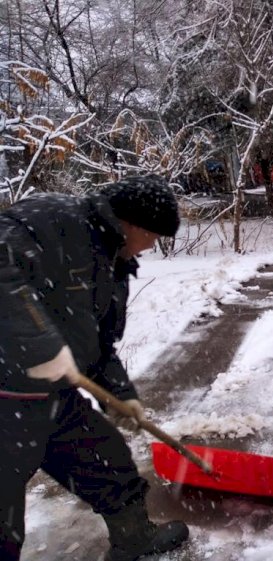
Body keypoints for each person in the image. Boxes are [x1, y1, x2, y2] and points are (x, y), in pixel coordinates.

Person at [0, 175, 188, 561]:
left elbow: (98, 345)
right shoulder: (54, 218)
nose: (152, 246)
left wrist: (122, 397)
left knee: (108, 463)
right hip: (5, 398)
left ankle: (134, 537)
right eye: (152, 235)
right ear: (131, 223)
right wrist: (40, 345)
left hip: (53, 398)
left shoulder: (112, 264)